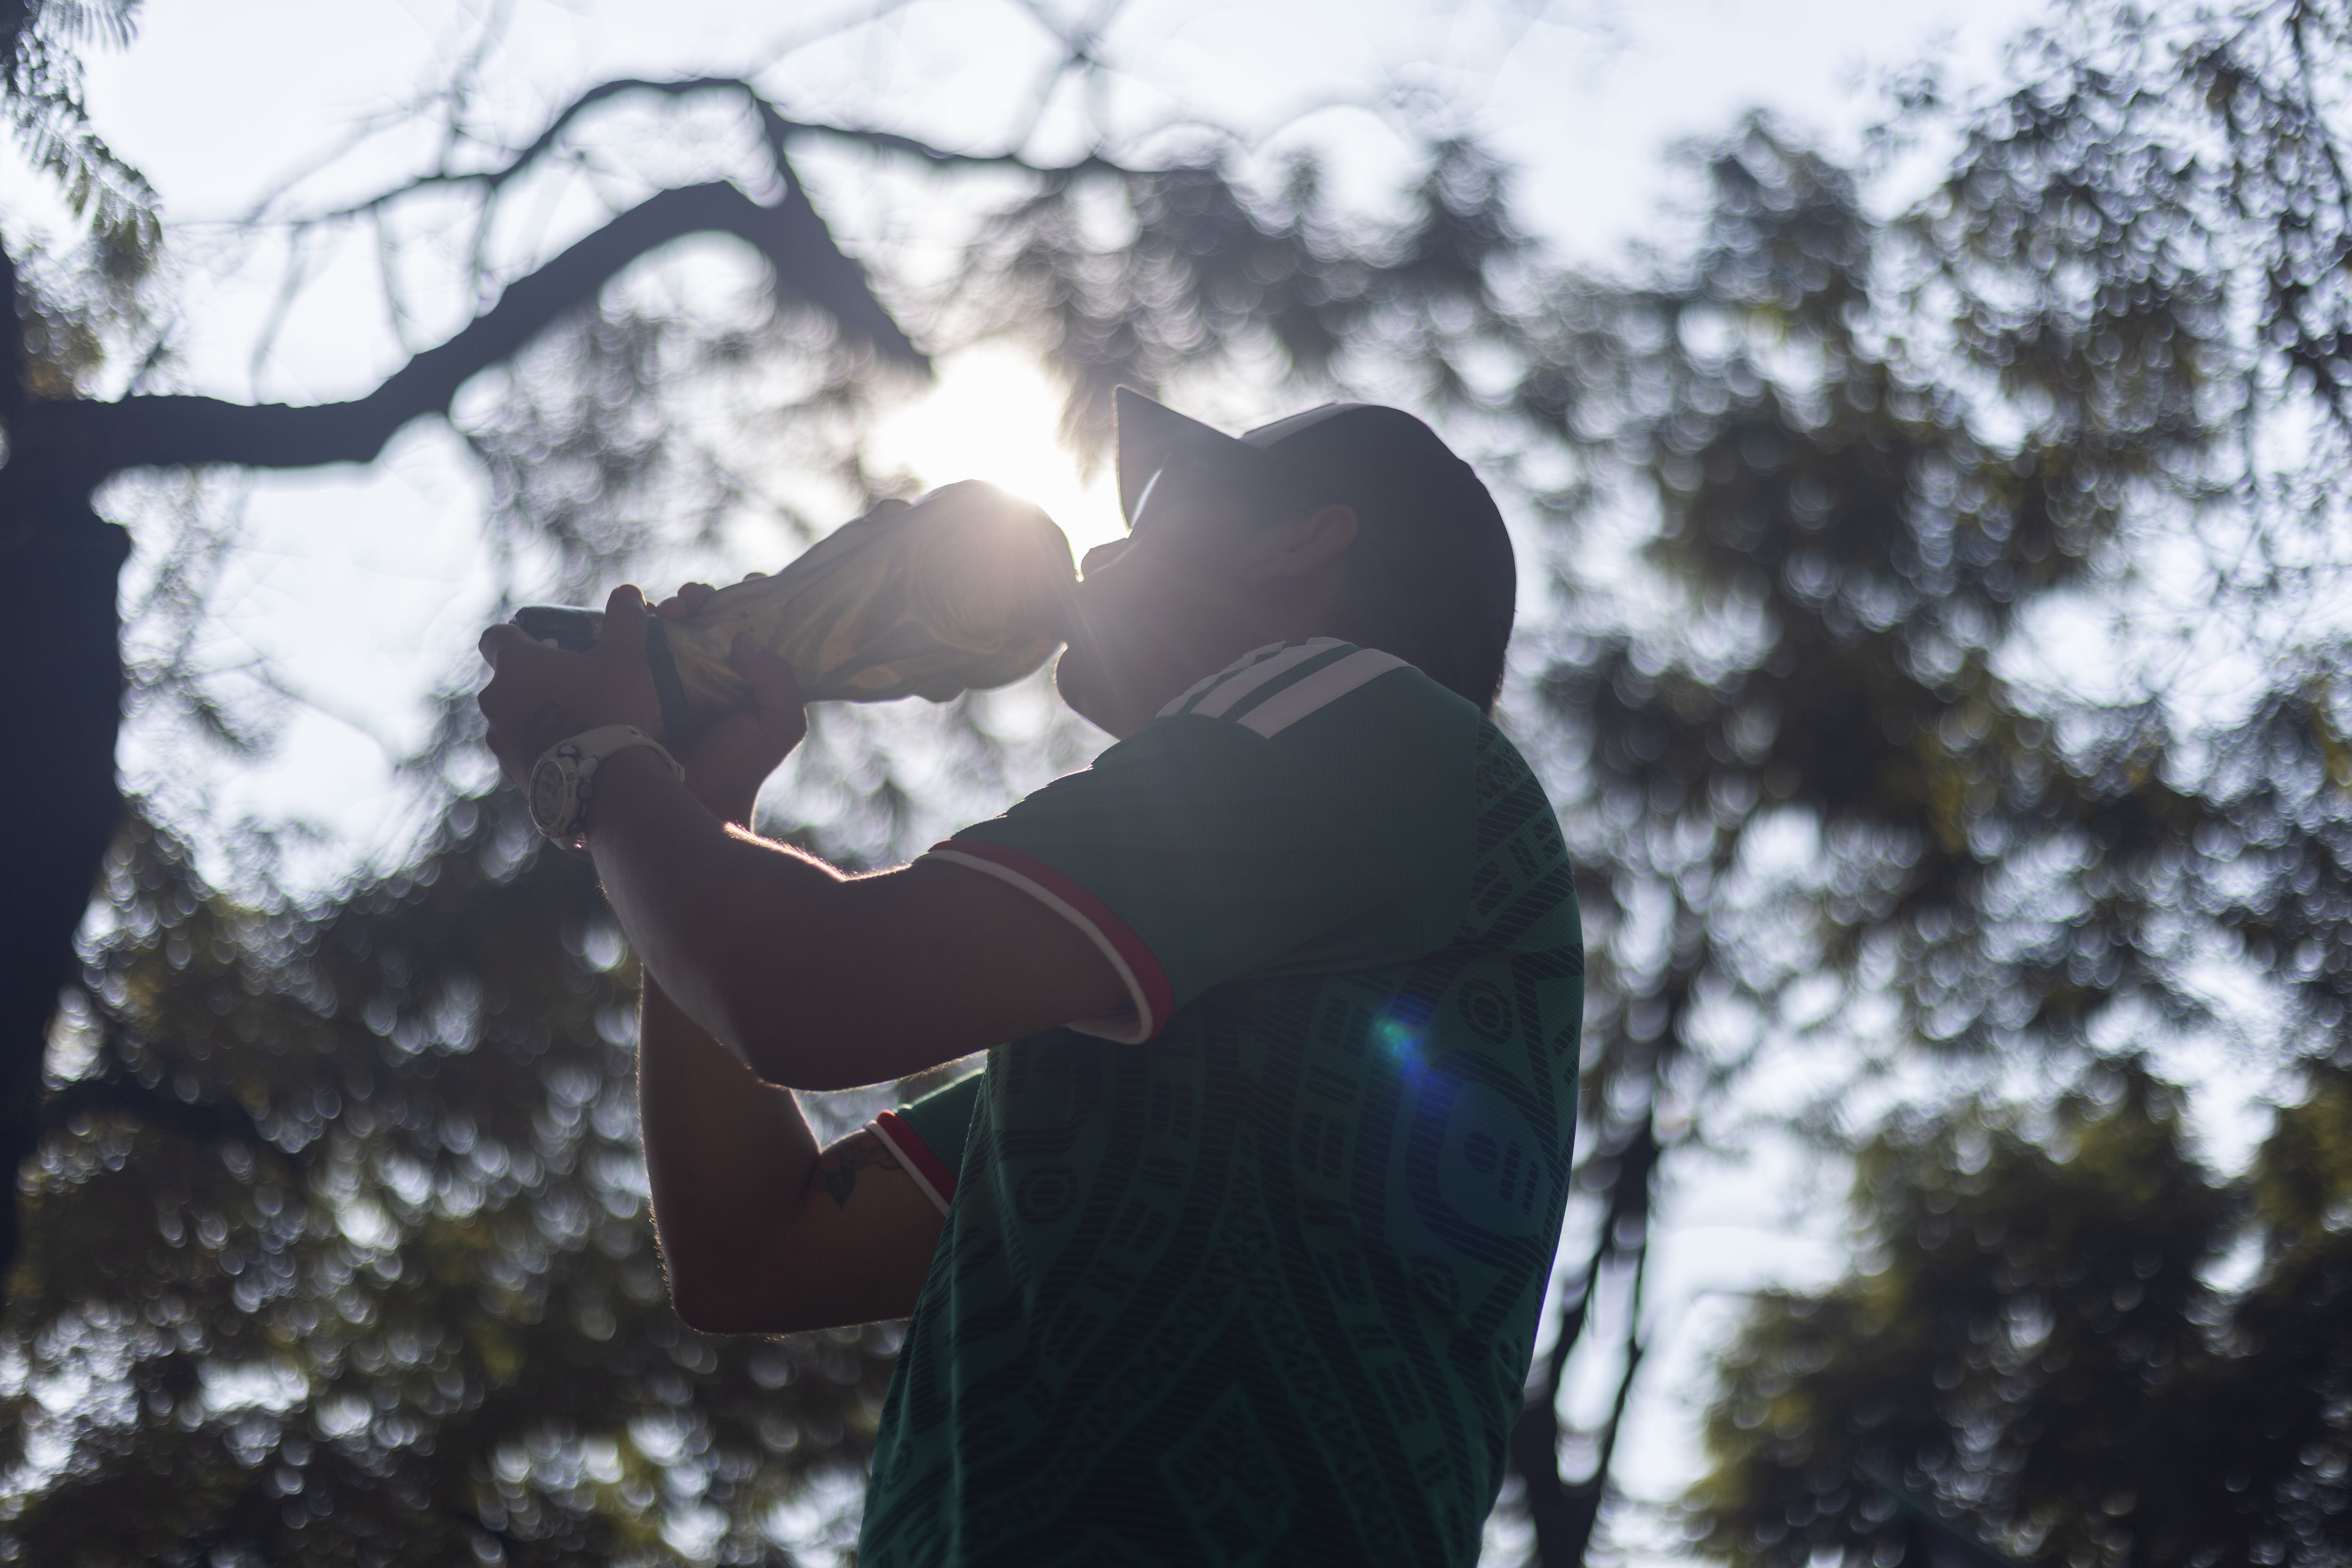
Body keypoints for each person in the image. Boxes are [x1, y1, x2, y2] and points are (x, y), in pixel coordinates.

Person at [476, 387, 1584, 1567]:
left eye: (1160, 506)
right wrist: (702, 803)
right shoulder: (1176, 1033)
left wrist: (601, 764)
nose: (1102, 550)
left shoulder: (1374, 717)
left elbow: (808, 988)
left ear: (1300, 541)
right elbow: (752, 1247)